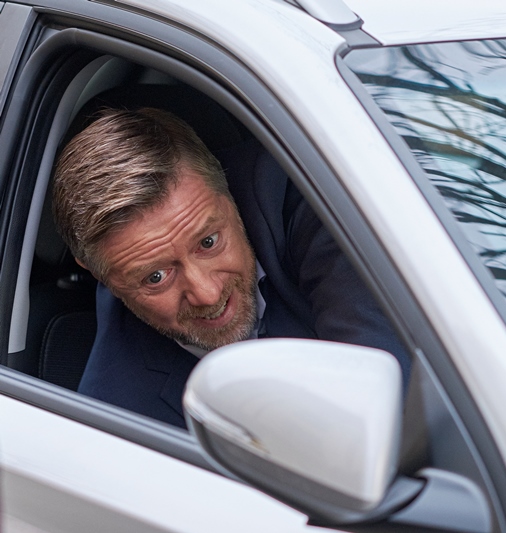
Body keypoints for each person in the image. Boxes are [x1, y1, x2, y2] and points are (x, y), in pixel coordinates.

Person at [52, 107, 410, 428]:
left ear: (228, 191)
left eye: (208, 242)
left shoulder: (307, 190)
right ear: (100, 276)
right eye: (156, 277)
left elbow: (387, 390)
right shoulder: (119, 416)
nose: (207, 294)